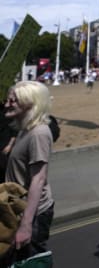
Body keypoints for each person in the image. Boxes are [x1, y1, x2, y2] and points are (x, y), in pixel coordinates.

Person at [1, 81, 54, 264]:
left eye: (13, 101)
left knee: (30, 262)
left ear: (30, 103)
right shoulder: (25, 129)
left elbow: (38, 179)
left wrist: (26, 225)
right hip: (17, 209)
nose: (7, 104)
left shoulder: (39, 134)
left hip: (33, 213)